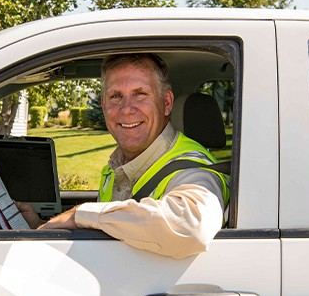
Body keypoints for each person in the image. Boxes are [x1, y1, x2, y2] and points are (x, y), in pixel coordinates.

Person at [18, 53, 229, 258]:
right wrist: (41, 228)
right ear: (103, 105)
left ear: (166, 103)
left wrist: (79, 215)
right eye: (115, 96)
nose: (126, 109)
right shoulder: (115, 168)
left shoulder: (195, 168)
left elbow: (192, 228)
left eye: (140, 94)